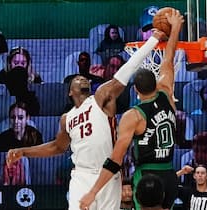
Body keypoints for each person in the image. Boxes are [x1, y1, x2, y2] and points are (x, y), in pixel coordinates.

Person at [7, 27, 166, 209]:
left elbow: (127, 70)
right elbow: (57, 147)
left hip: (108, 173)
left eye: (85, 79)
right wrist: (24, 151)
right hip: (81, 175)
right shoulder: (67, 118)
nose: (82, 79)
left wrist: (153, 40)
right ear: (69, 91)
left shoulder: (100, 97)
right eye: (77, 79)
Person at [79, 9, 184, 210]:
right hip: (170, 174)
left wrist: (93, 192)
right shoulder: (167, 94)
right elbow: (168, 60)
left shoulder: (133, 116)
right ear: (156, 83)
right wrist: (176, 28)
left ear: (135, 90)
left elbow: (116, 159)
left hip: (147, 176)